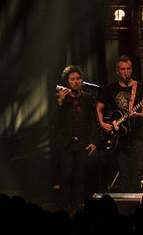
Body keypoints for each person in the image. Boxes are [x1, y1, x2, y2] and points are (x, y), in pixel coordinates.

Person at [96, 55, 143, 193]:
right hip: (118, 137)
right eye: (123, 69)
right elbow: (98, 108)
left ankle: (136, 201)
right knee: (124, 172)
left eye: (128, 68)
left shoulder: (141, 88)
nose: (126, 72)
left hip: (136, 136)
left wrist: (137, 114)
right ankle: (125, 202)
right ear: (117, 71)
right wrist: (102, 123)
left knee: (137, 171)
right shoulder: (110, 89)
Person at [53, 65, 98, 212]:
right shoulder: (62, 98)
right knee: (66, 175)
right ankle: (64, 204)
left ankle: (77, 203)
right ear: (67, 81)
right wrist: (60, 101)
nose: (76, 81)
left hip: (82, 142)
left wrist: (93, 141)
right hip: (65, 143)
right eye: (72, 79)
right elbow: (54, 121)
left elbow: (93, 121)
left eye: (78, 78)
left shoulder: (87, 98)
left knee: (79, 175)